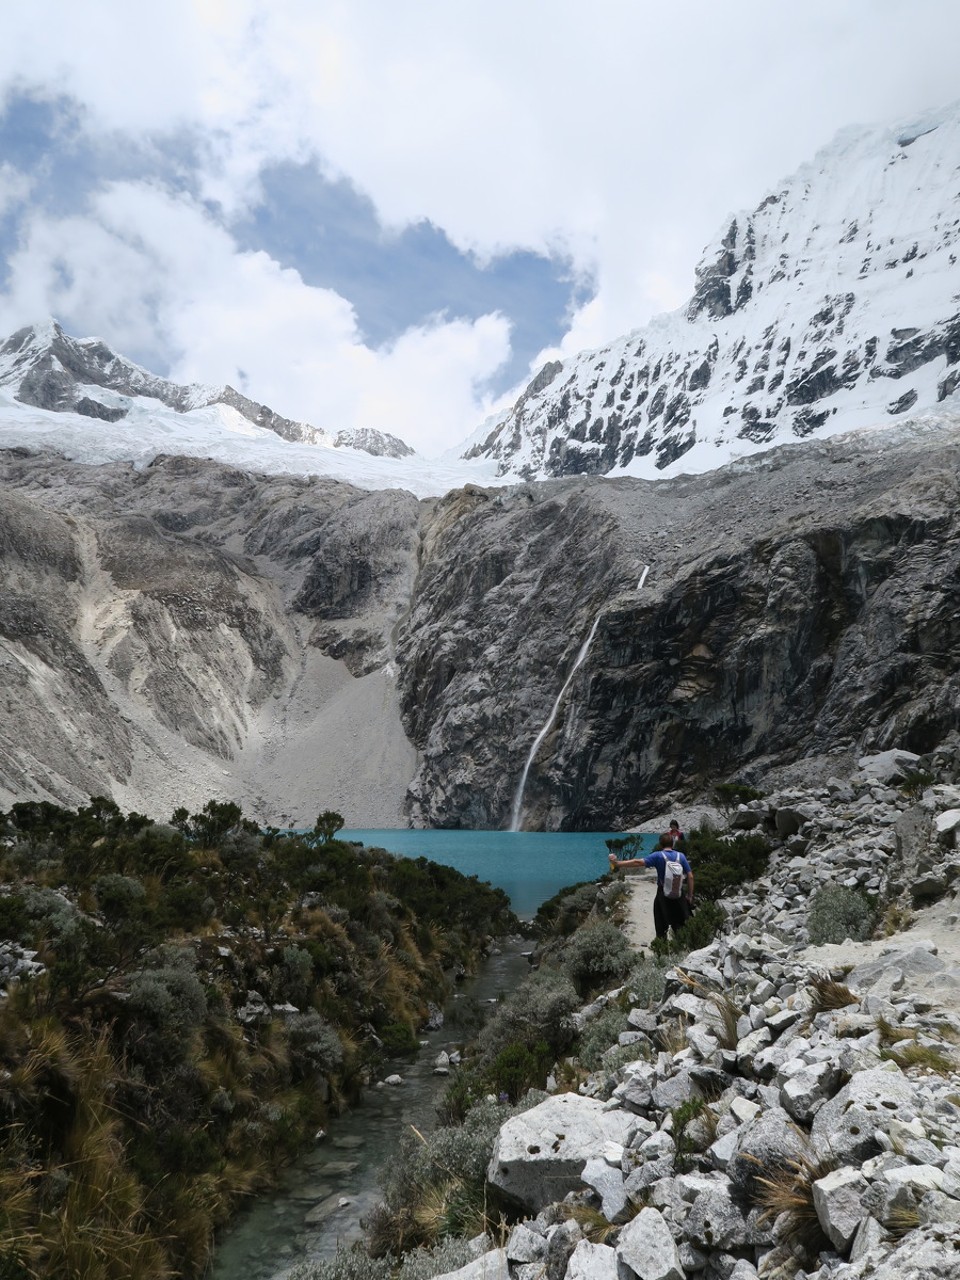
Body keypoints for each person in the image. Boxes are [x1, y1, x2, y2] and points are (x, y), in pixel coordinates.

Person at [609, 835, 694, 940]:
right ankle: (684, 950)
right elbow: (690, 876)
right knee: (682, 925)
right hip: (679, 894)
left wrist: (617, 863)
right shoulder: (681, 856)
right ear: (672, 844)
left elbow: (637, 862)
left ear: (660, 844)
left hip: (662, 894)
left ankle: (662, 950)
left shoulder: (657, 856)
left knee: (661, 925)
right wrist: (690, 896)